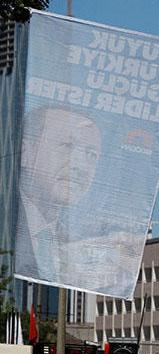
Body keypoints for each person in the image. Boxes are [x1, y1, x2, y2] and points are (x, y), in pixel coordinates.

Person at [14, 106, 140, 293]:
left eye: (91, 154)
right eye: (67, 146)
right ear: (26, 152)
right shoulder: (7, 226)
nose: (80, 166)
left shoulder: (76, 240)